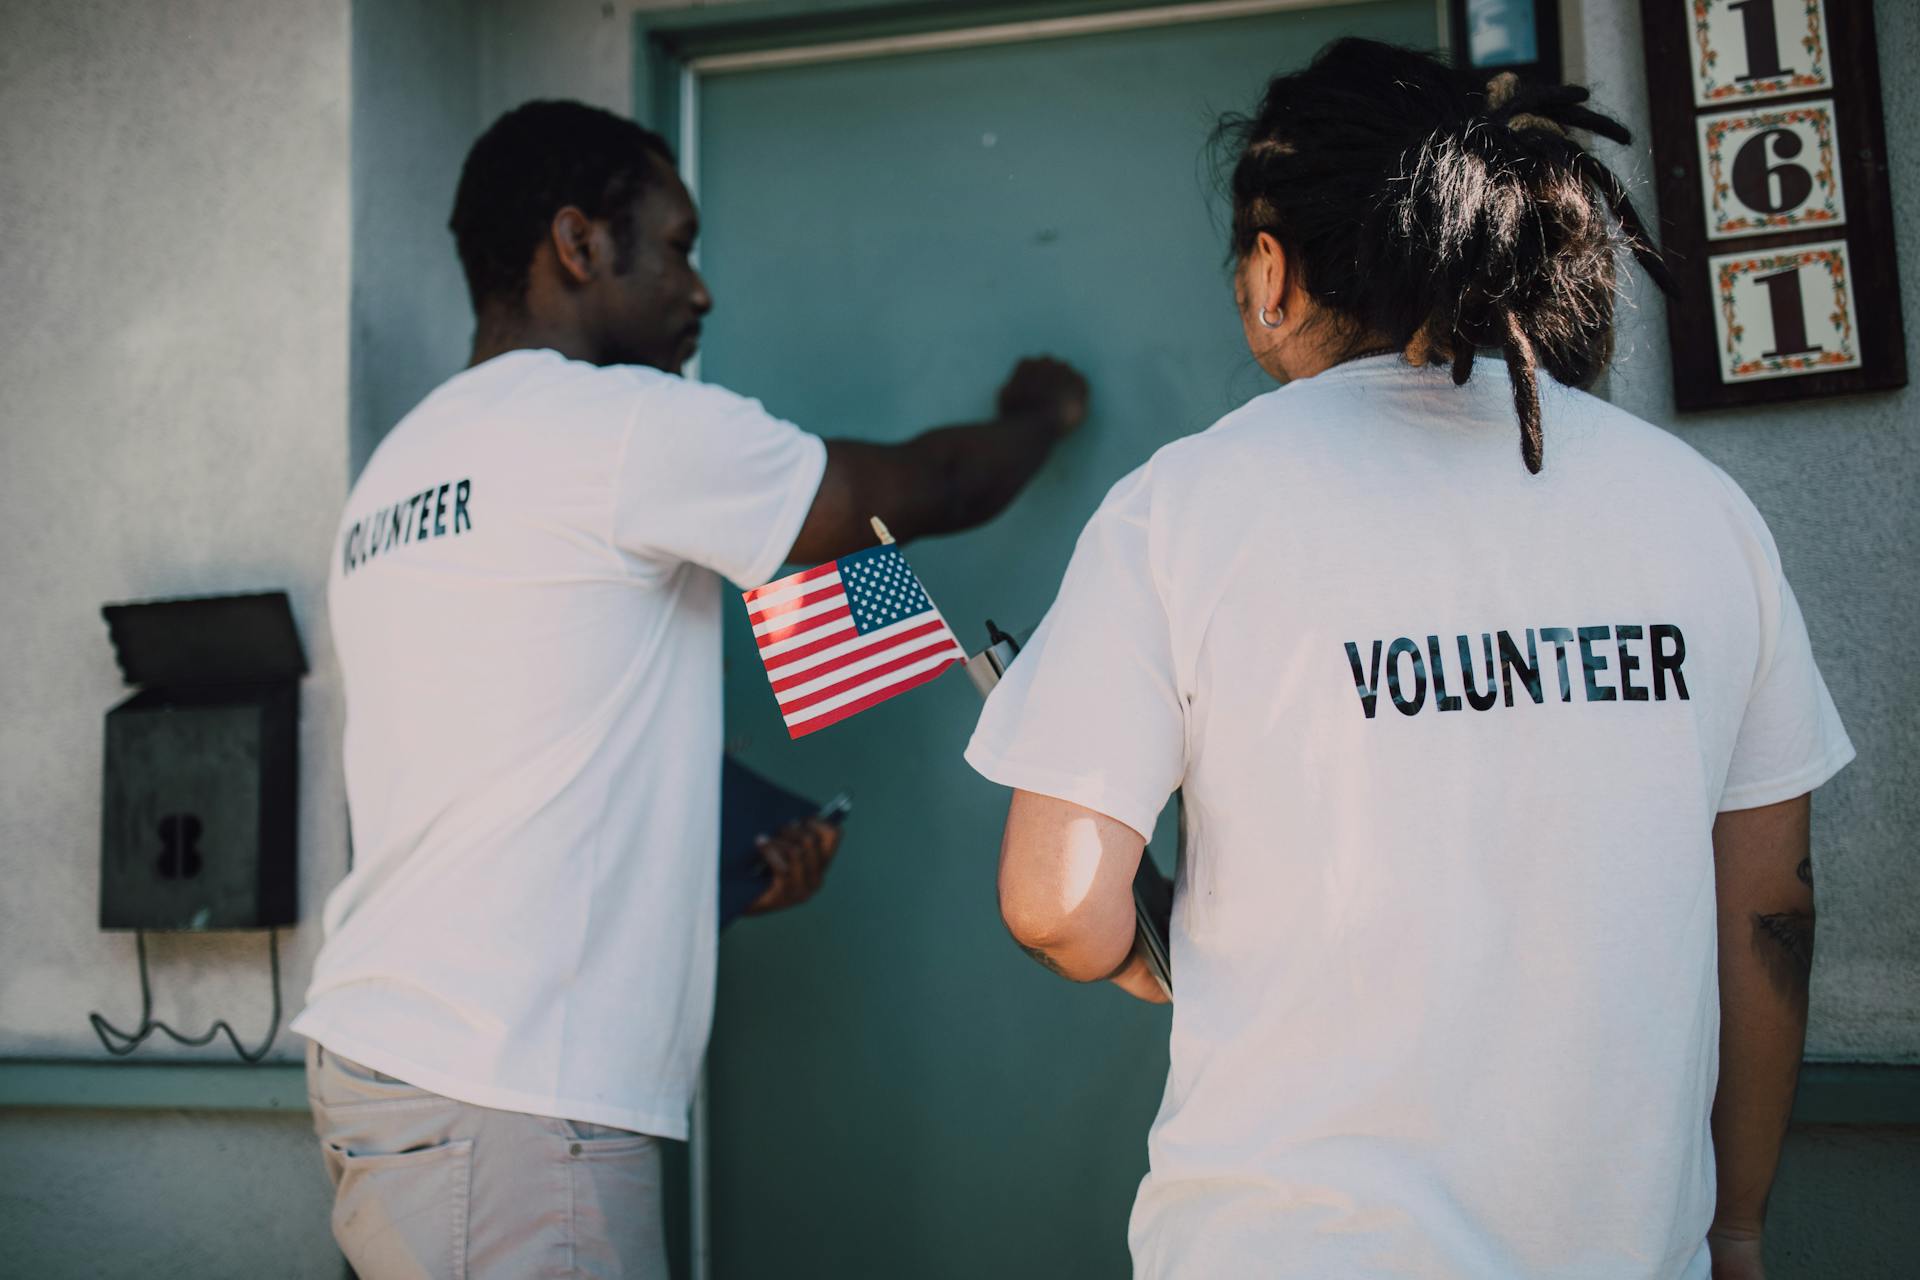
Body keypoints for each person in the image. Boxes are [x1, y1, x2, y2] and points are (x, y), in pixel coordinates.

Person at [968, 40, 1849, 1280]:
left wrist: (1136, 952)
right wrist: (1738, 1224)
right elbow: (1769, 916)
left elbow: (1054, 901)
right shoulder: (1698, 511)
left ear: (1270, 274)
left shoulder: (1188, 509)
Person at [296, 99, 1087, 1278]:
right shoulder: (615, 427)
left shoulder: (393, 474)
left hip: (389, 1057)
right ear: (578, 243)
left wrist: (697, 875)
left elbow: (518, 744)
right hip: (509, 1094)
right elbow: (934, 486)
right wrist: (1040, 415)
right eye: (676, 245)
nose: (700, 288)